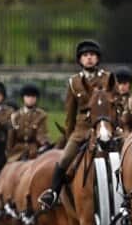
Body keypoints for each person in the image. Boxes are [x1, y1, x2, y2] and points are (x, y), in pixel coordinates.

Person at [39, 40, 112, 208]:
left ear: (98, 58)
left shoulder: (107, 78)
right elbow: (70, 114)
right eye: (85, 56)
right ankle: (53, 193)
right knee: (64, 159)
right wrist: (69, 134)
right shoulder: (74, 82)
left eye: (92, 56)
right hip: (81, 129)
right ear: (80, 60)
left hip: (104, 126)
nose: (89, 59)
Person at [7, 84, 49, 162]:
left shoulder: (41, 115)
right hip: (17, 152)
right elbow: (11, 138)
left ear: (36, 99)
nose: (30, 99)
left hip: (33, 151)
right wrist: (9, 152)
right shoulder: (15, 116)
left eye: (33, 97)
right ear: (23, 98)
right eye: (27, 96)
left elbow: (42, 133)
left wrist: (44, 143)